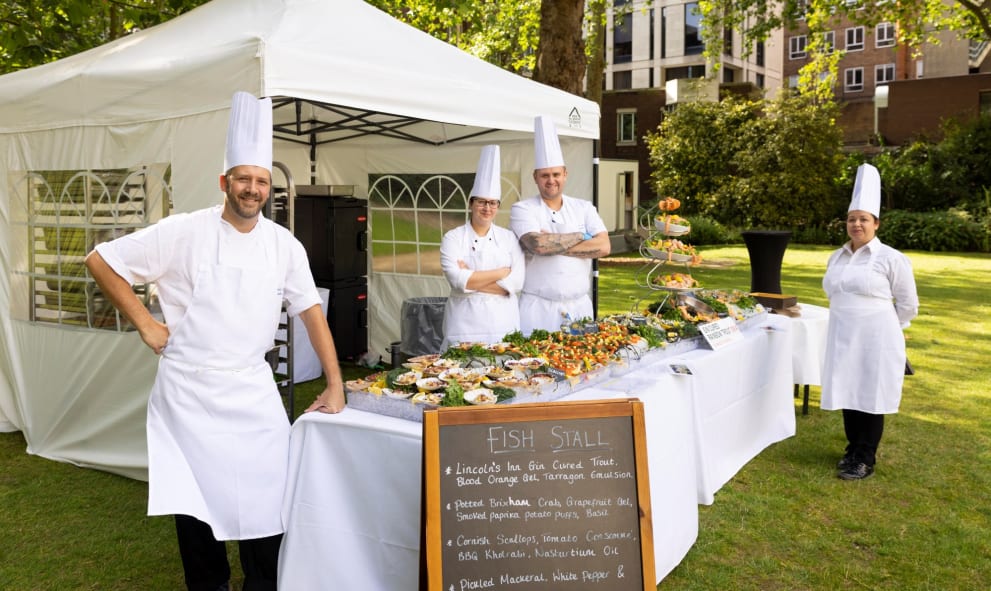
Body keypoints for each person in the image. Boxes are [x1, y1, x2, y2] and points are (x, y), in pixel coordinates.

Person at [84, 92, 345, 591]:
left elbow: (311, 311)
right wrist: (145, 322)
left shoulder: (283, 245)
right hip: (190, 395)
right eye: (243, 179)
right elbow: (101, 259)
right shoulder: (182, 231)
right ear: (224, 182)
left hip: (252, 389)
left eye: (261, 181)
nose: (252, 189)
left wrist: (336, 384)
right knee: (197, 513)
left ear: (270, 188)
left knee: (267, 508)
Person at [821, 163, 919, 481]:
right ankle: (852, 449)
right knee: (849, 389)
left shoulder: (891, 258)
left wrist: (891, 329)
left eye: (863, 219)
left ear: (876, 223)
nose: (857, 224)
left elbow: (908, 304)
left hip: (877, 337)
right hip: (842, 335)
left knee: (871, 392)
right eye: (852, 219)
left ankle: (865, 457)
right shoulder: (837, 256)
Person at [509, 115, 610, 334]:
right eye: (545, 175)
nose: (551, 180)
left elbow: (604, 247)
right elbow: (538, 245)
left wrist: (555, 244)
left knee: (581, 364)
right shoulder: (522, 209)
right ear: (535, 177)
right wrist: (583, 236)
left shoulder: (584, 207)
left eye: (556, 174)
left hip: (580, 306)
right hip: (538, 308)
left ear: (565, 174)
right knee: (537, 366)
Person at [440, 145, 525, 348]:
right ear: (471, 203)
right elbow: (456, 280)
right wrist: (501, 273)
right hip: (463, 326)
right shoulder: (452, 238)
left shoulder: (509, 238)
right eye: (481, 202)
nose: (487, 208)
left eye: (493, 203)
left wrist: (471, 277)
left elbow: (516, 283)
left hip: (503, 324)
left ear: (497, 206)